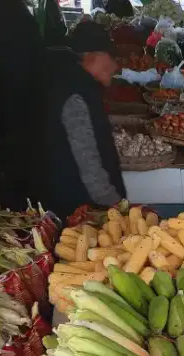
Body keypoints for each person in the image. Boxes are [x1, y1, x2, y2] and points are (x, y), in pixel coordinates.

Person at [37, 21, 125, 222]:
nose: (116, 65)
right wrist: (115, 207)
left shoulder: (73, 82)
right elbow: (88, 163)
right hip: (81, 212)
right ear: (93, 56)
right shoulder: (75, 95)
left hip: (77, 203)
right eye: (111, 57)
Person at [0, 0, 44, 206]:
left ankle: (4, 181)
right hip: (27, 88)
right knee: (21, 136)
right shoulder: (23, 13)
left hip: (3, 85)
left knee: (4, 133)